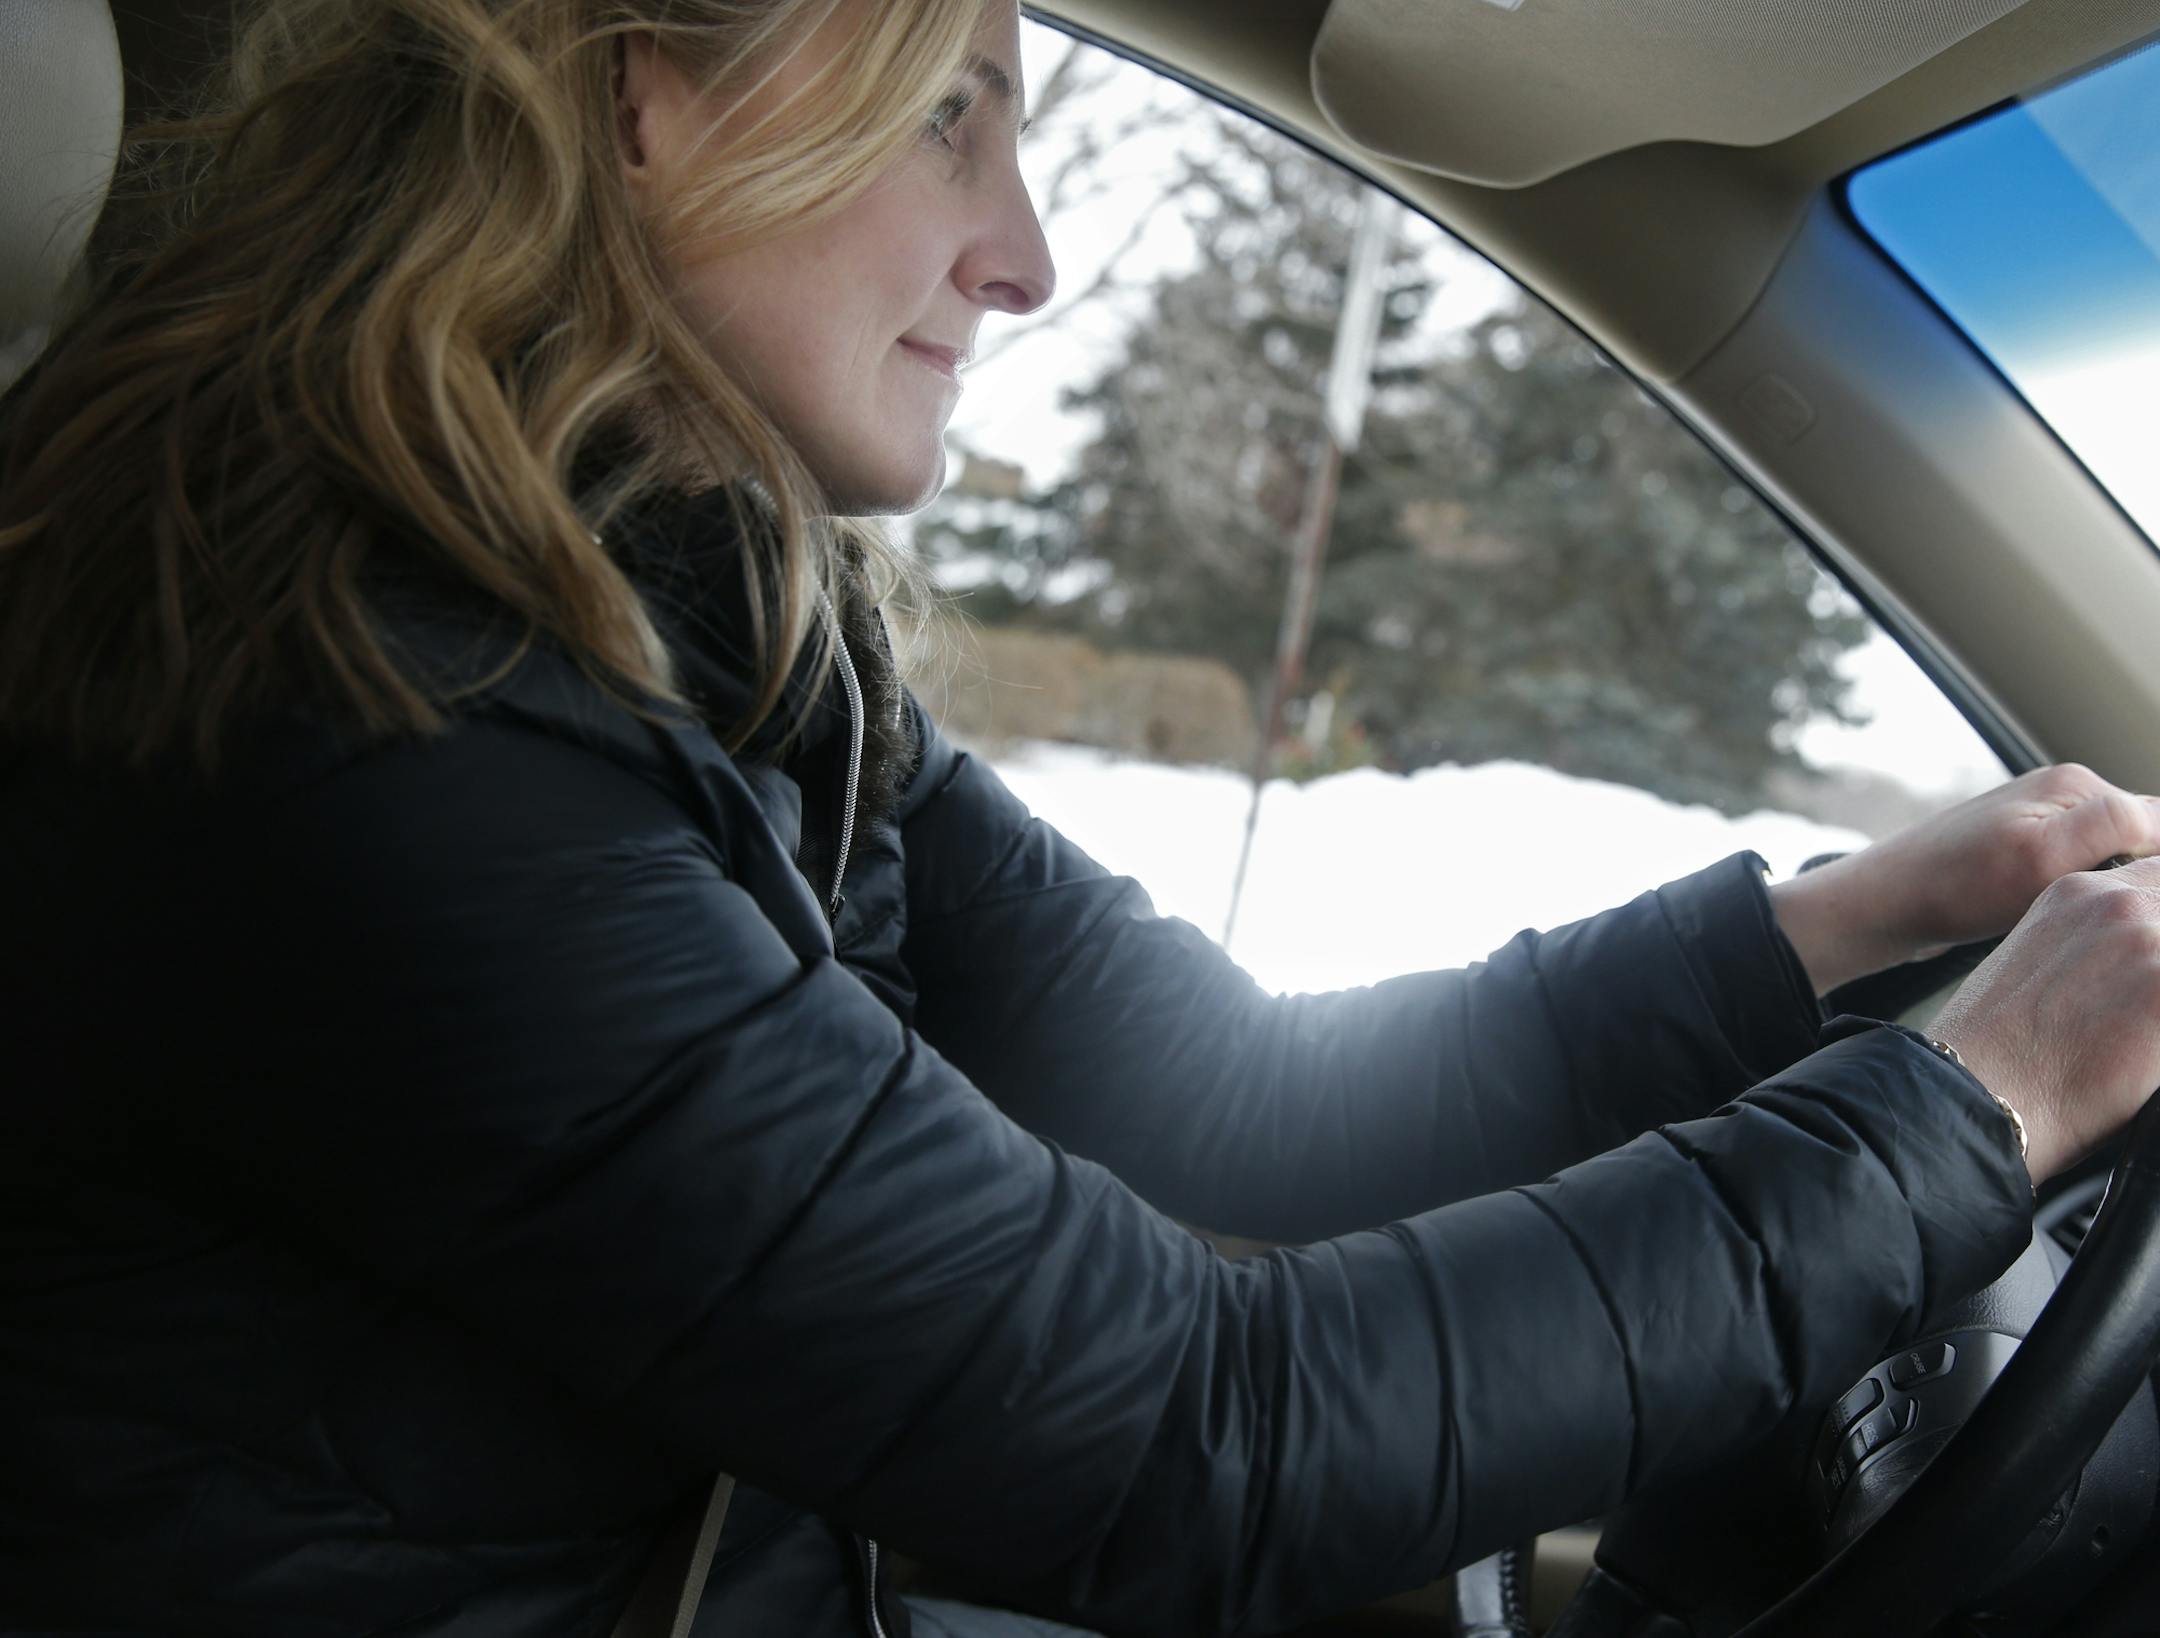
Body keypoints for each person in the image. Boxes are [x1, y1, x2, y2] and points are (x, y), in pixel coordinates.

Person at [4, 1, 2160, 1634]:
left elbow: (1232, 1088)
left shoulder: (712, 634)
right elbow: (1192, 1436)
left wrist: (1844, 923)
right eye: (950, 114)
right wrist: (1982, 1100)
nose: (1025, 254)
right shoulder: (356, 723)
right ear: (647, 87)